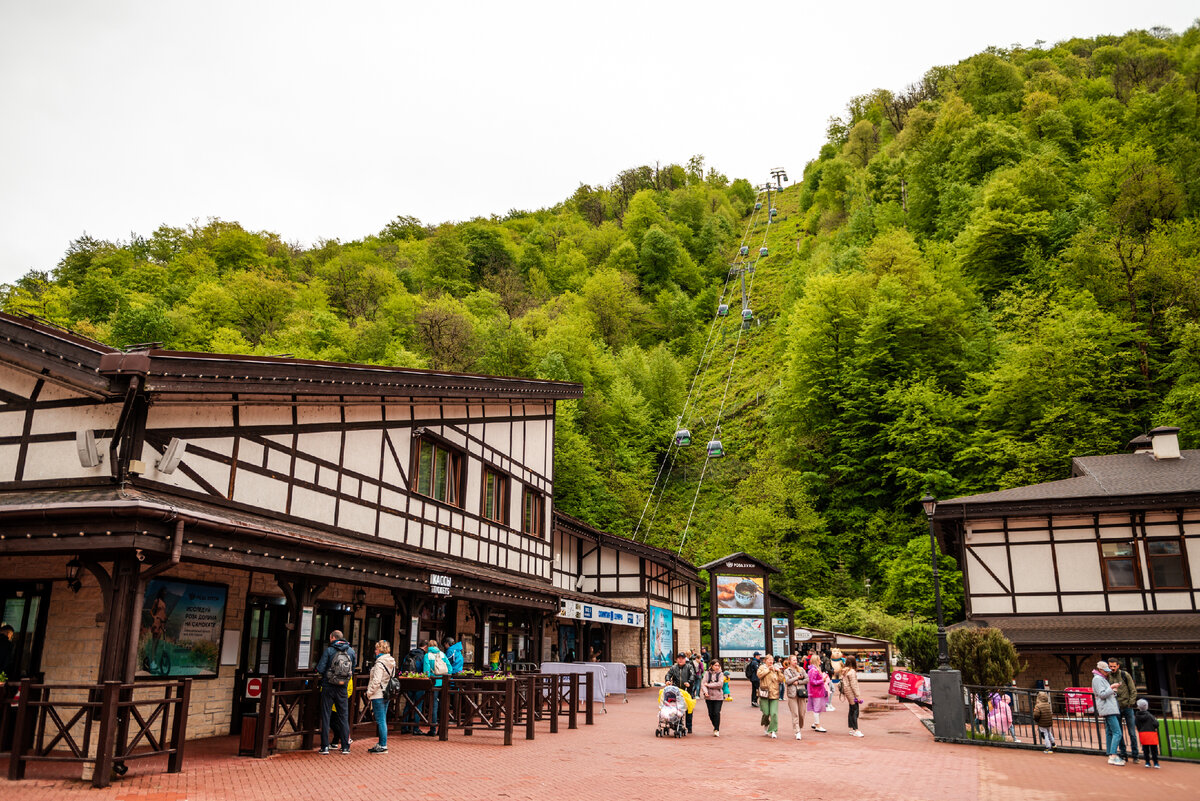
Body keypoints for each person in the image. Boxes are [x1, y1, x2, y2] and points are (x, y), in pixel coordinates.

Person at [314, 629, 356, 755]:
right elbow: (352, 670)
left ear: (332, 638)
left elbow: (320, 668)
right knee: (343, 716)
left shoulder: (329, 650)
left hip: (329, 686)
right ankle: (345, 747)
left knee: (326, 716)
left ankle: (325, 747)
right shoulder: (351, 651)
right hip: (343, 687)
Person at [1107, 658, 1139, 764]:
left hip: (1127, 707)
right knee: (1119, 732)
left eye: (1114, 666)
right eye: (1110, 666)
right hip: (1115, 708)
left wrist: (1131, 702)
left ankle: (1135, 755)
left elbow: (1133, 689)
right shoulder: (1108, 677)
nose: (1112, 668)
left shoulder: (1125, 675)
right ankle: (1123, 754)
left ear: (1118, 666)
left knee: (1132, 732)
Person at [1092, 660, 1125, 765]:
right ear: (1100, 670)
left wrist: (1112, 690)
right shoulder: (1097, 679)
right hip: (1107, 708)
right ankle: (1113, 755)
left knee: (1110, 732)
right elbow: (1101, 694)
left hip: (1109, 707)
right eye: (1106, 671)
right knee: (1117, 732)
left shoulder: (1101, 678)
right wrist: (1112, 687)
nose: (1108, 672)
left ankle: (1111, 753)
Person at [366, 640, 396, 753]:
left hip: (378, 693)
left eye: (376, 649)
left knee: (380, 720)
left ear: (380, 650)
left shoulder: (379, 663)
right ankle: (381, 743)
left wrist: (369, 692)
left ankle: (383, 745)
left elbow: (376, 681)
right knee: (383, 719)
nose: (375, 651)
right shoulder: (392, 661)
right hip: (387, 692)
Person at [423, 639, 449, 736]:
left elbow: (426, 672)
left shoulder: (427, 656)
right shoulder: (442, 654)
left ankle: (433, 729)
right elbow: (449, 668)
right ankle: (441, 729)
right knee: (443, 706)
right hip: (444, 683)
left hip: (434, 684)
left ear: (428, 646)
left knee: (433, 706)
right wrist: (446, 679)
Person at [666, 652, 697, 734]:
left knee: (688, 709)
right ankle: (675, 724)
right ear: (676, 659)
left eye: (682, 658)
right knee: (675, 708)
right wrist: (668, 680)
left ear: (685, 659)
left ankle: (689, 727)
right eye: (679, 658)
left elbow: (692, 675)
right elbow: (668, 674)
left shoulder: (689, 666)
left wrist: (689, 682)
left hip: (687, 691)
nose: (680, 660)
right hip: (676, 691)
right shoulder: (673, 667)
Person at [399, 641, 426, 734]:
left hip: (408, 682)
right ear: (425, 647)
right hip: (419, 683)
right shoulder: (423, 656)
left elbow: (402, 668)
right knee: (418, 705)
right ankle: (415, 728)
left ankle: (404, 726)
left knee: (408, 704)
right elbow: (425, 670)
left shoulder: (408, 655)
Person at [756, 654, 783, 738]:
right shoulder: (762, 667)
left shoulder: (776, 668)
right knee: (766, 712)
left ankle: (773, 730)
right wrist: (768, 669)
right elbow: (759, 675)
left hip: (774, 693)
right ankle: (766, 723)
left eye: (772, 660)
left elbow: (781, 679)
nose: (771, 661)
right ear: (765, 661)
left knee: (774, 713)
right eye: (769, 660)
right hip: (765, 693)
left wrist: (779, 671)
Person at [782, 655, 807, 740]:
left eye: (796, 660)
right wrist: (796, 678)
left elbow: (807, 679)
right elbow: (788, 681)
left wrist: (799, 682)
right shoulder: (786, 671)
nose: (795, 662)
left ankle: (799, 727)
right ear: (789, 661)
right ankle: (797, 731)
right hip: (792, 695)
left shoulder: (801, 669)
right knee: (795, 714)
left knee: (802, 714)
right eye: (793, 660)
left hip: (801, 693)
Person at [839, 655, 864, 737]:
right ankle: (855, 729)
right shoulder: (852, 672)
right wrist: (858, 696)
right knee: (855, 711)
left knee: (851, 710)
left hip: (847, 693)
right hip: (852, 694)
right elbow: (854, 685)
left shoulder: (845, 671)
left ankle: (851, 728)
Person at [701, 659, 725, 737]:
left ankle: (717, 729)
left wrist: (709, 685)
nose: (717, 667)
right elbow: (703, 684)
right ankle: (715, 725)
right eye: (715, 665)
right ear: (711, 666)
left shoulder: (721, 674)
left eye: (718, 665)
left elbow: (720, 684)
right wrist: (705, 692)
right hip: (709, 697)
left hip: (718, 696)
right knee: (711, 713)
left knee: (716, 712)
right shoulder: (707, 673)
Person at [1134, 699, 1160, 768]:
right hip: (1151, 733)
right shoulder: (1150, 716)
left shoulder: (1137, 717)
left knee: (1145, 749)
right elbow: (1156, 724)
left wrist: (1140, 730)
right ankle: (1156, 763)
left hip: (1143, 733)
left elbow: (1137, 724)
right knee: (1154, 749)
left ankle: (1147, 762)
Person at [807, 658, 828, 732]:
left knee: (819, 707)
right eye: (819, 660)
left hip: (818, 691)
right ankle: (817, 725)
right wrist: (822, 680)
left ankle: (816, 723)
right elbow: (813, 681)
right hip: (816, 691)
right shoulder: (813, 670)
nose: (820, 661)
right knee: (817, 708)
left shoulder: (815, 669)